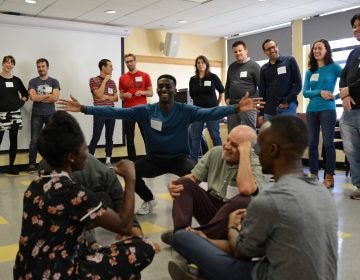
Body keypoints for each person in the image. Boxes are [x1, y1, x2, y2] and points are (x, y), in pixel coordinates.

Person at [57, 74, 264, 216]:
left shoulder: (185, 110)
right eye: (161, 86)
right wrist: (84, 108)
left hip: (179, 159)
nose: (164, 88)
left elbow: (210, 112)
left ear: (174, 89)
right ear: (156, 90)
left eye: (168, 86)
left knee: (199, 178)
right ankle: (149, 199)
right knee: (130, 172)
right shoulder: (146, 110)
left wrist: (236, 107)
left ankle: (206, 206)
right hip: (155, 159)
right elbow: (116, 112)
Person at [169, 116, 338, 280]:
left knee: (183, 238)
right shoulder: (321, 192)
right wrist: (207, 240)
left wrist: (233, 228)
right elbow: (261, 249)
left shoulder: (271, 200)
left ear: (272, 150)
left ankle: (199, 269)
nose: (257, 152)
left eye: (259, 147)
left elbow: (241, 252)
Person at [13, 111, 157, 279]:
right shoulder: (73, 192)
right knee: (143, 247)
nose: (87, 154)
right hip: (59, 273)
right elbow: (123, 225)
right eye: (85, 148)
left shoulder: (35, 186)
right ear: (71, 157)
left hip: (25, 272)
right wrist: (130, 179)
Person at [161, 125, 262, 246]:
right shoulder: (215, 152)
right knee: (184, 183)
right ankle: (181, 235)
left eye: (235, 145)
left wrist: (245, 155)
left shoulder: (254, 162)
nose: (227, 146)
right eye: (228, 140)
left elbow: (246, 189)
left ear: (247, 149)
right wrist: (173, 185)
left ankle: (194, 238)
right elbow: (193, 179)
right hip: (213, 211)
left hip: (234, 221)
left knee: (244, 199)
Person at [38, 153, 144, 246]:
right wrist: (130, 178)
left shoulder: (101, 173)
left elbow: (119, 202)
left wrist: (138, 236)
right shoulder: (68, 186)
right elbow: (122, 216)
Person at [303, 39, 342, 188]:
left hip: (328, 110)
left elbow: (347, 81)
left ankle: (329, 176)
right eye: (314, 49)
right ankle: (313, 175)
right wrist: (320, 92)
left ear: (327, 50)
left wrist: (336, 96)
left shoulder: (334, 67)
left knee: (328, 143)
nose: (316, 51)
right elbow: (306, 92)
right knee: (312, 143)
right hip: (312, 110)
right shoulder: (309, 71)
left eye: (320, 48)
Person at [339, 13, 360, 200]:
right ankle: (359, 186)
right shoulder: (353, 53)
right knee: (352, 153)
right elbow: (343, 77)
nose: (356, 29)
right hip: (349, 112)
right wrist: (344, 93)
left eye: (359, 25)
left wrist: (348, 91)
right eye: (354, 26)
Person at [258, 39, 302, 124]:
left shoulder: (289, 61)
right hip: (269, 111)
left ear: (277, 47)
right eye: (268, 49)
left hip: (287, 108)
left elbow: (298, 85)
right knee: (272, 137)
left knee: (288, 136)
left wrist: (287, 101)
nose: (271, 50)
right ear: (265, 52)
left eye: (273, 47)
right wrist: (261, 113)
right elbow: (262, 92)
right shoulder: (264, 69)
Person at [27, 58, 60, 173]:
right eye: (39, 67)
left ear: (47, 67)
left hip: (51, 114)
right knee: (34, 140)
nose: (41, 69)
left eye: (43, 66)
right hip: (37, 115)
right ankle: (31, 164)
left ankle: (50, 163)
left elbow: (55, 98)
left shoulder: (54, 81)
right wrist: (48, 95)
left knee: (51, 140)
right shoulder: (33, 81)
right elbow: (33, 98)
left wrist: (39, 97)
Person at [189, 55, 224, 163]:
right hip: (197, 112)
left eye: (202, 62)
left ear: (206, 64)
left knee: (215, 136)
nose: (200, 65)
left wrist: (217, 104)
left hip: (212, 111)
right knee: (195, 137)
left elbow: (221, 91)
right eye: (198, 63)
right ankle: (193, 161)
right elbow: (191, 94)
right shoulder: (193, 79)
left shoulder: (213, 77)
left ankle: (220, 160)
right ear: (196, 65)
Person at [119, 54, 153, 161]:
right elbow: (121, 95)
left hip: (142, 110)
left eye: (131, 61)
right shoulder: (122, 78)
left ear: (135, 61)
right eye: (127, 62)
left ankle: (150, 158)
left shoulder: (145, 75)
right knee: (129, 137)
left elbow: (151, 93)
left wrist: (142, 92)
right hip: (128, 111)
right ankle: (132, 161)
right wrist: (125, 95)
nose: (129, 63)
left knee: (146, 135)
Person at [0, 55, 28, 175]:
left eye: (11, 63)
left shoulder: (16, 80)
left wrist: (21, 102)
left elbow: (25, 94)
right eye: (7, 62)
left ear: (13, 65)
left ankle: (11, 167)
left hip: (15, 114)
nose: (9, 64)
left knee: (14, 140)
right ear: (3, 63)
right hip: (1, 114)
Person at [88, 59, 118, 166]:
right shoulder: (93, 80)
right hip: (99, 112)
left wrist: (106, 97)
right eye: (110, 66)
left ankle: (108, 160)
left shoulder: (113, 82)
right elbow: (98, 95)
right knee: (96, 136)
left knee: (109, 137)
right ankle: (89, 160)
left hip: (111, 112)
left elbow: (116, 98)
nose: (112, 68)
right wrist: (104, 81)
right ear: (103, 67)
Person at [225, 40, 260, 131]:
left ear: (246, 51)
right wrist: (226, 98)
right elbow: (228, 84)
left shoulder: (254, 66)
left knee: (248, 133)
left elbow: (261, 85)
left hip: (248, 105)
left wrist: (254, 101)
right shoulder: (231, 67)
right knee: (233, 133)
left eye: (240, 50)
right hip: (233, 106)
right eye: (235, 51)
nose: (238, 53)